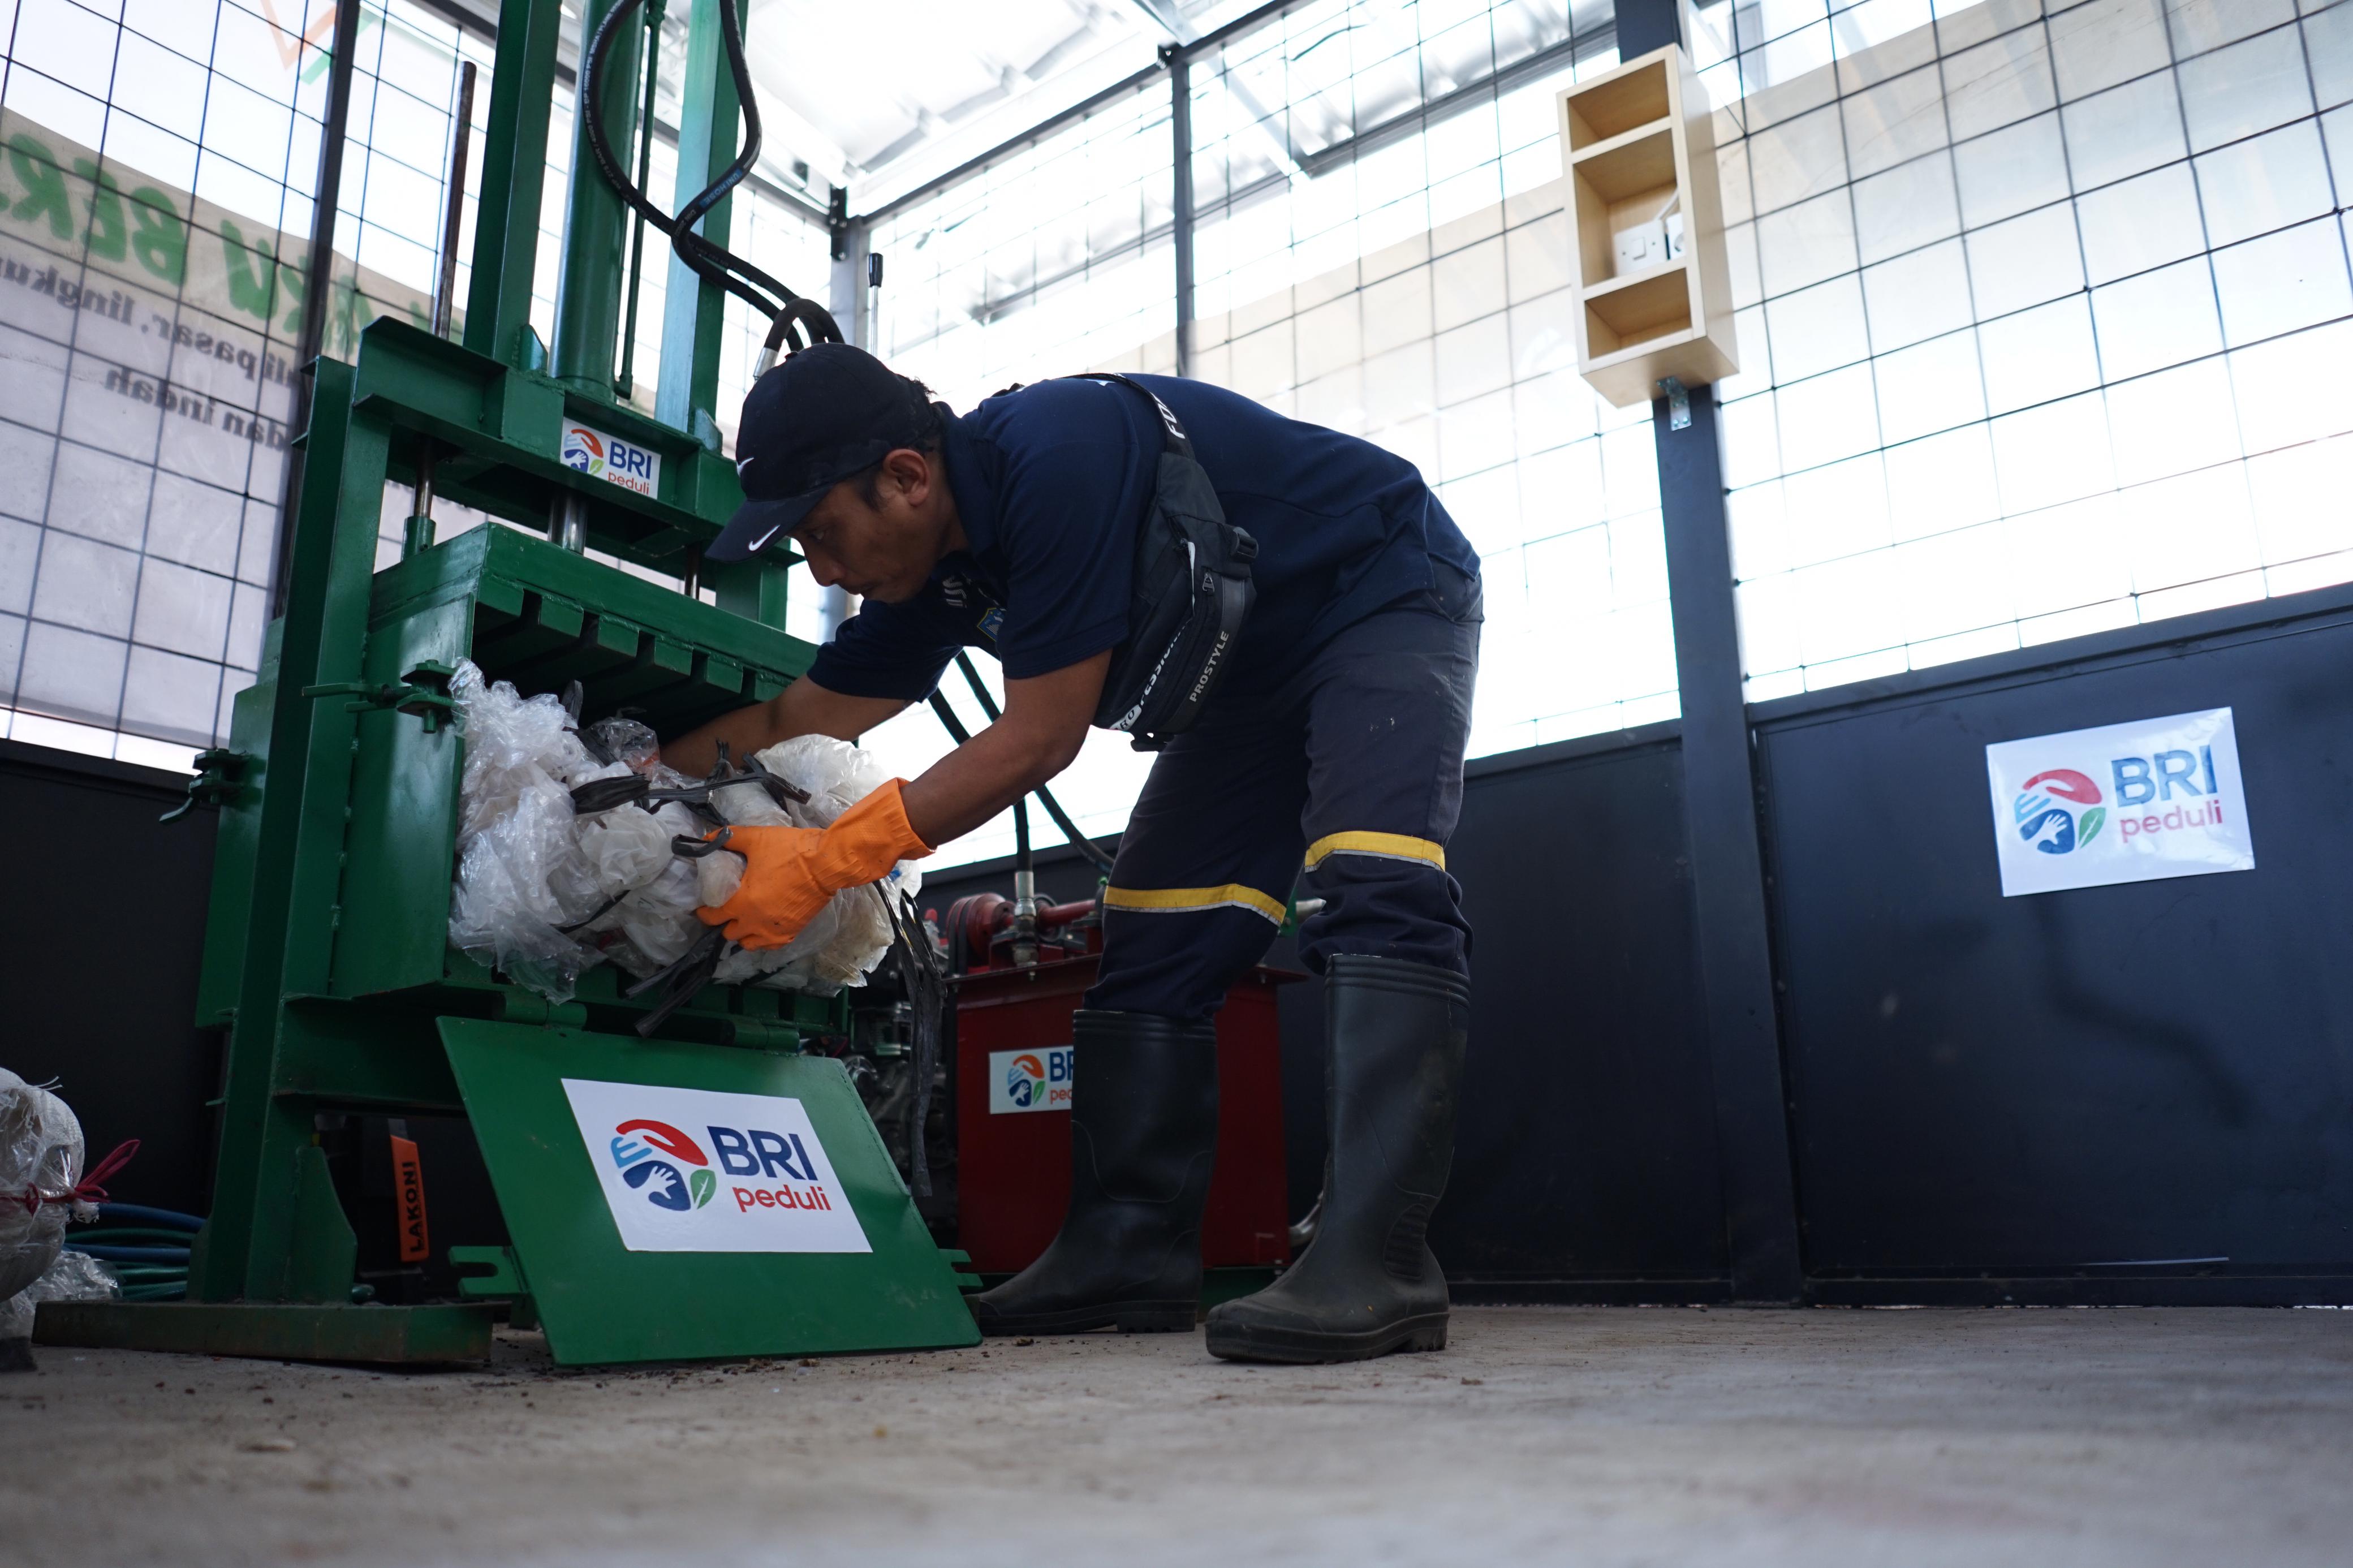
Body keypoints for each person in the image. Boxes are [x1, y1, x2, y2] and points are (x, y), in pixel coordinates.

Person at [673, 342, 1481, 1364]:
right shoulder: (936, 569)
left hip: (1378, 587)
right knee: (1151, 932)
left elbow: (1037, 739)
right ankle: (1128, 1250)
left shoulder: (1057, 453)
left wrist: (828, 859)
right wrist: (641, 773)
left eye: (825, 534)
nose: (826, 571)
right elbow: (806, 709)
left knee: (1376, 871)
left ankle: (1386, 1263)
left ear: (908, 478)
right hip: (1248, 678)